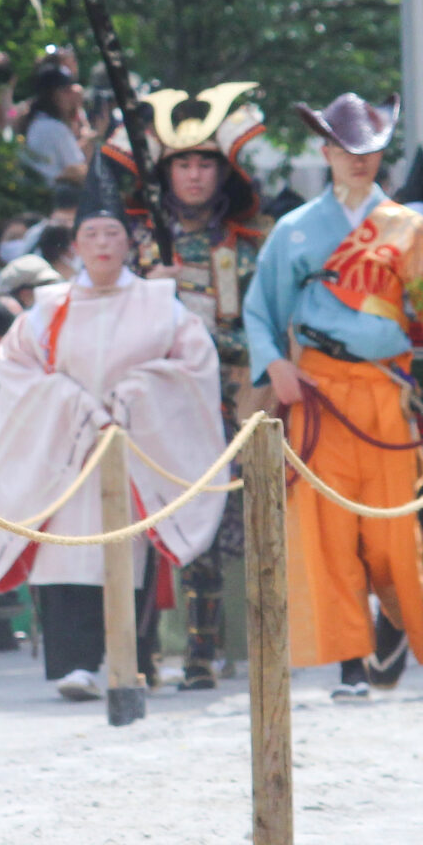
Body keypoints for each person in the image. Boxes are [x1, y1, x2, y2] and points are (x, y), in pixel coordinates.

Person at [243, 93, 423, 700]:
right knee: (330, 529)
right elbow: (259, 310)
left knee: (391, 526)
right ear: (325, 152)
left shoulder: (409, 228)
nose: (359, 161)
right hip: (317, 393)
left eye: (369, 150)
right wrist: (274, 365)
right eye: (347, 150)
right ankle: (351, 660)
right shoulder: (294, 231)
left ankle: (394, 622)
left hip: (382, 392)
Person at [0, 179, 229, 699]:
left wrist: (136, 395)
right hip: (66, 454)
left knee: (129, 550)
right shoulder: (49, 307)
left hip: (134, 449)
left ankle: (128, 658)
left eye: (111, 233)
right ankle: (73, 664)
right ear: (75, 244)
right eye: (90, 233)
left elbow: (194, 364)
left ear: (127, 241)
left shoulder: (161, 305)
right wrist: (75, 408)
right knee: (64, 554)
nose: (100, 244)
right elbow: (18, 366)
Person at [135, 83, 268, 688]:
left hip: (229, 404)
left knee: (218, 527)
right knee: (150, 525)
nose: (193, 175)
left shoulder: (249, 243)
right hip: (159, 408)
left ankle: (207, 652)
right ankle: (141, 654)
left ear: (223, 171)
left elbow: (261, 327)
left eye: (204, 163)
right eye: (182, 163)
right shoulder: (137, 247)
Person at [18, 60, 90, 185]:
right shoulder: (54, 128)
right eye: (66, 91)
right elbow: (78, 171)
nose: (71, 96)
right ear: (52, 95)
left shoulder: (36, 122)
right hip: (56, 198)